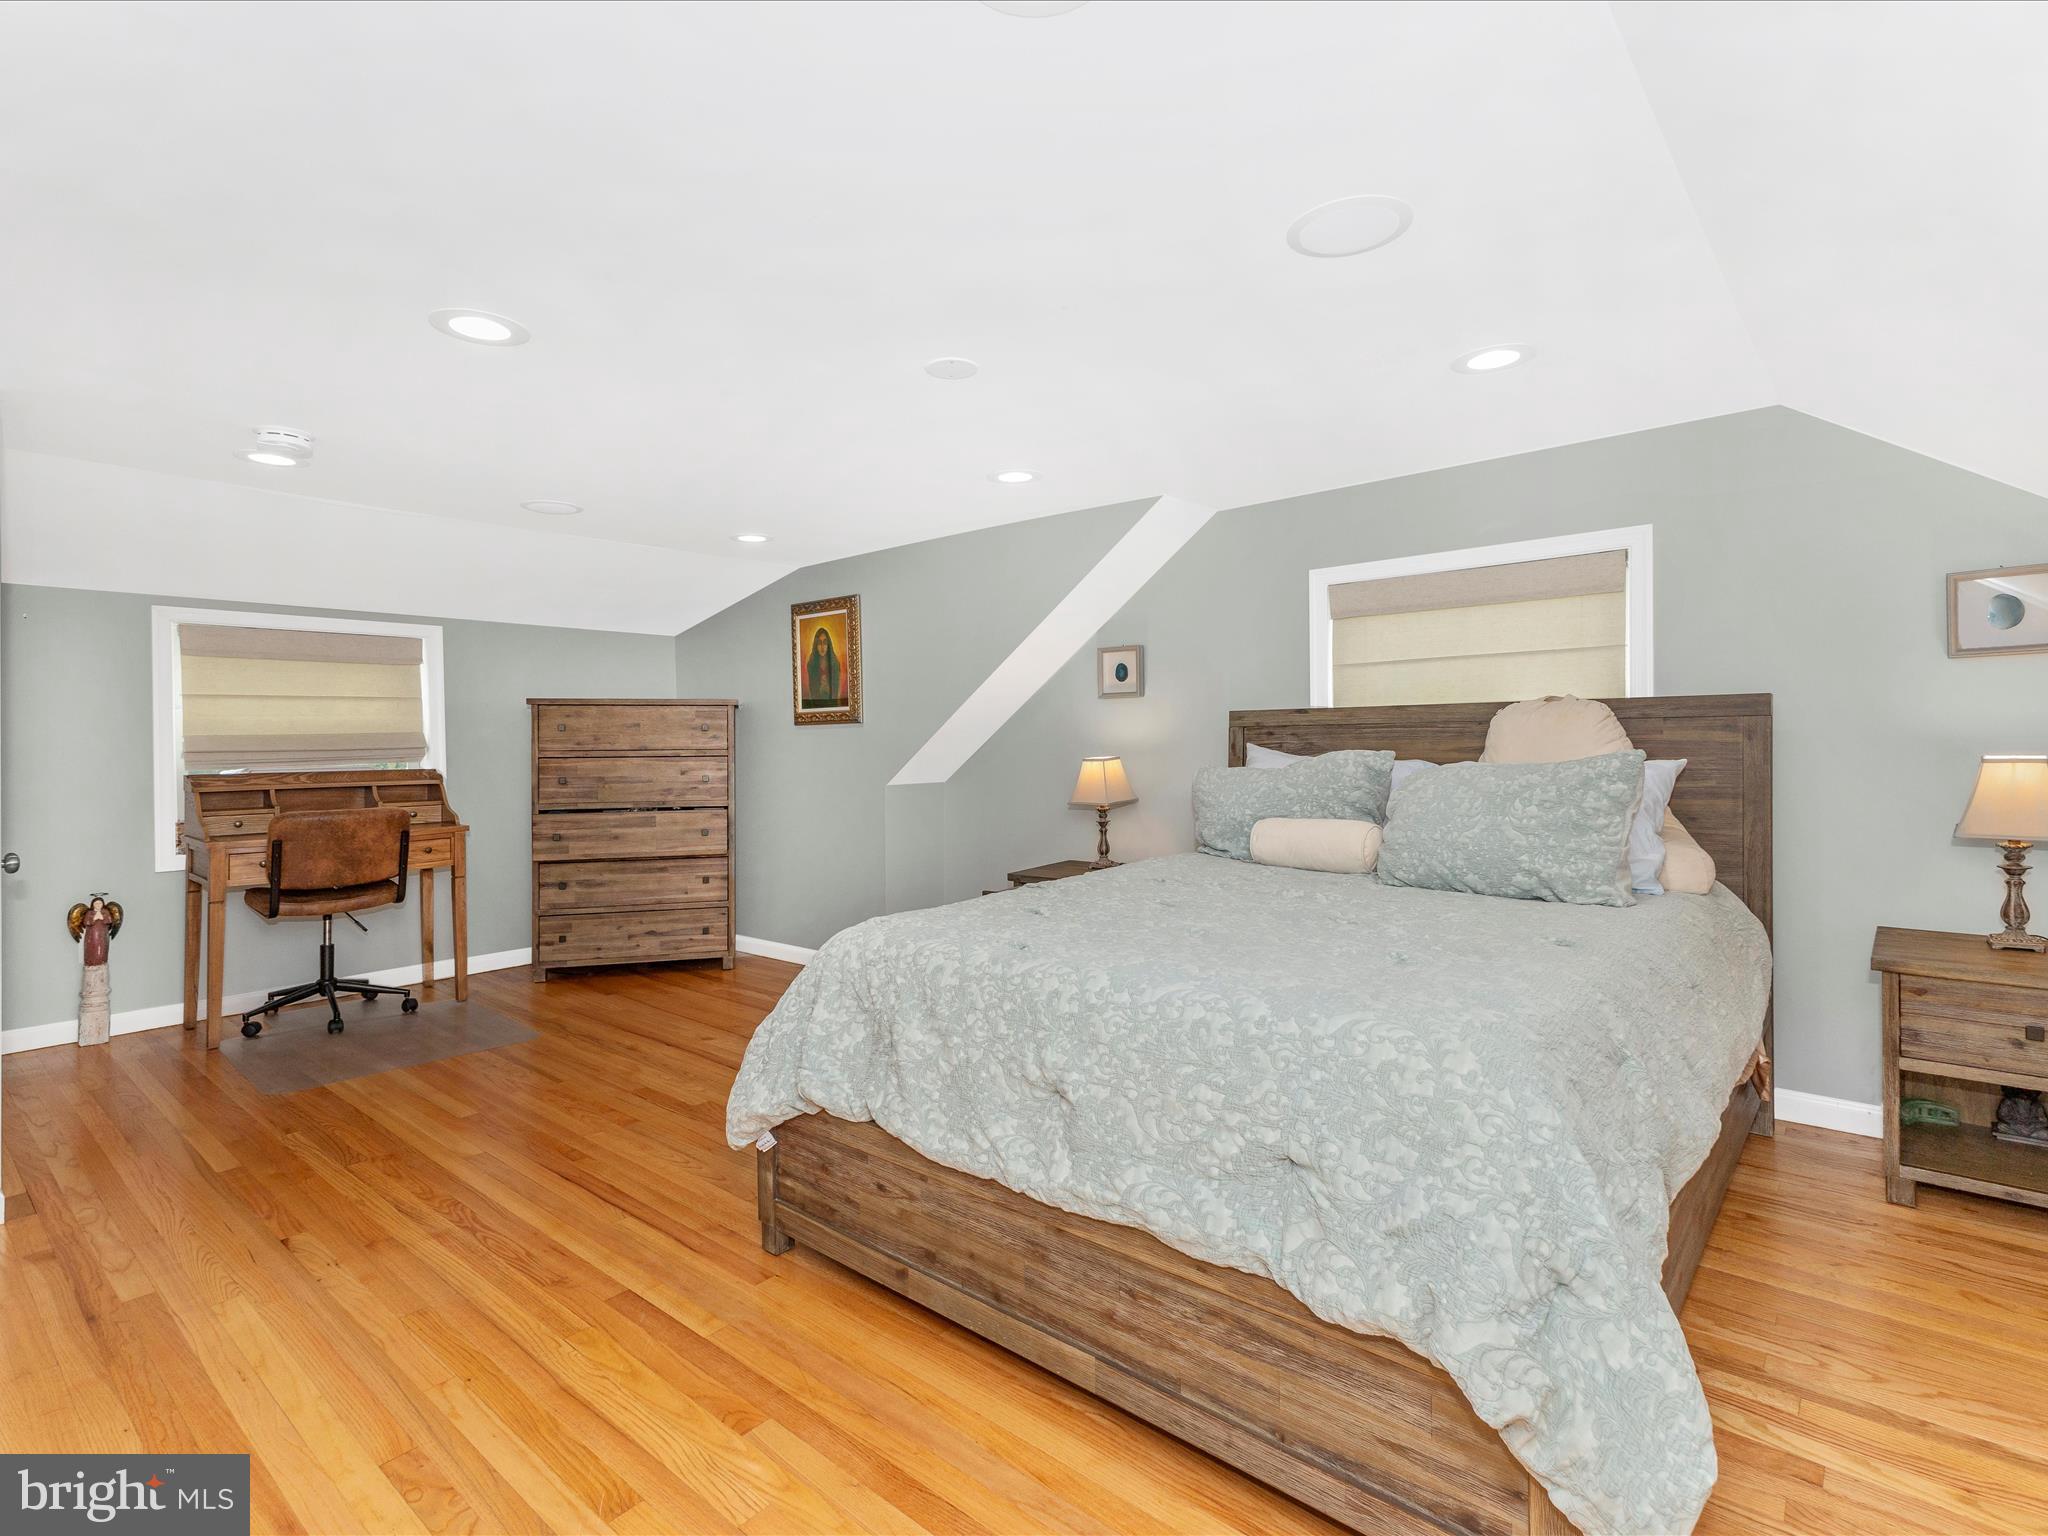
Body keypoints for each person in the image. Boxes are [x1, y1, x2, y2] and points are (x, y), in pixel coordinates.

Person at [802, 624, 843, 708]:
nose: (822, 647)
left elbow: (836, 691)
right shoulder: (811, 664)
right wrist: (820, 688)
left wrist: (828, 688)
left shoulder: (835, 664)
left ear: (828, 645)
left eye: (825, 643)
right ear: (815, 645)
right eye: (819, 643)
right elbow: (812, 691)